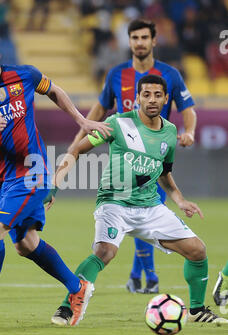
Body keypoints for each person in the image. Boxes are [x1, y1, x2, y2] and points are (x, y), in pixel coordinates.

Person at [47, 74, 228, 326]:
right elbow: (77, 149)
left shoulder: (170, 132)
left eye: (157, 95)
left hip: (150, 207)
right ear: (137, 99)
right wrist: (54, 185)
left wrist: (180, 199)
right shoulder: (117, 123)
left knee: (198, 250)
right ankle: (67, 306)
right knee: (104, 251)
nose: (152, 100)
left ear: (166, 99)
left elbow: (164, 173)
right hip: (114, 202)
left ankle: (197, 310)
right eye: (146, 95)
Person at [0, 28, 111, 319]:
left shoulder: (25, 75)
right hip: (6, 178)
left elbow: (53, 89)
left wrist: (82, 120)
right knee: (25, 244)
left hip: (33, 173)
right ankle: (76, 286)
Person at [63, 19, 197, 295]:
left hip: (152, 157)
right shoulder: (116, 75)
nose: (139, 43)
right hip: (122, 156)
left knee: (144, 215)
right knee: (136, 215)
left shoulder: (169, 74)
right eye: (134, 38)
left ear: (153, 41)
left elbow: (187, 108)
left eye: (144, 37)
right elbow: (99, 111)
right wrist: (76, 143)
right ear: (130, 42)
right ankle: (145, 277)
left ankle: (140, 276)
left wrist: (190, 132)